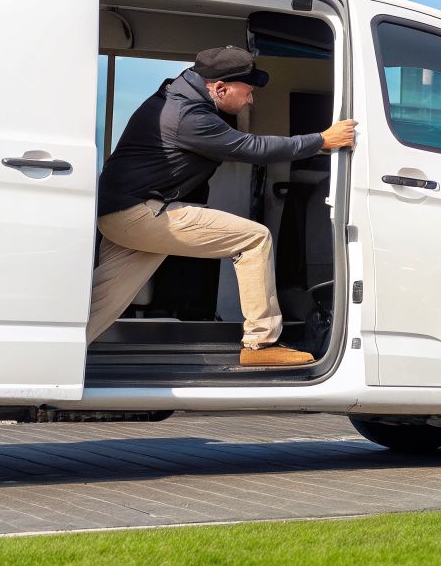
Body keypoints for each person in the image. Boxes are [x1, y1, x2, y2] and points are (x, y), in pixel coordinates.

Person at [87, 45, 356, 367]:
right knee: (254, 239)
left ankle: (61, 351)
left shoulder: (175, 98)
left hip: (121, 213)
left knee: (104, 300)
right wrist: (322, 140)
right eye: (249, 91)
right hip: (140, 213)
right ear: (220, 87)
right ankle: (261, 343)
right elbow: (249, 146)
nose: (251, 99)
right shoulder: (188, 117)